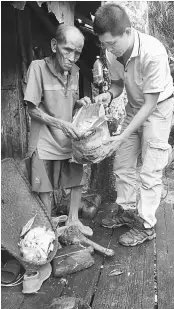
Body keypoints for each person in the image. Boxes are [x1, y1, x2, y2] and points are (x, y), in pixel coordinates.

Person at [93, 3, 174, 246]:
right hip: (134, 108)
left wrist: (122, 134)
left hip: (158, 110)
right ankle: (127, 212)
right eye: (105, 44)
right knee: (123, 162)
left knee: (150, 169)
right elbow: (118, 86)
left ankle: (147, 225)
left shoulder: (154, 52)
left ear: (128, 32)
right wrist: (109, 95)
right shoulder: (112, 52)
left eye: (112, 43)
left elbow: (150, 103)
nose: (109, 49)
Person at [24, 24, 93, 237]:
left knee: (76, 178)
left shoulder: (75, 72)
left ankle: (73, 221)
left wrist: (79, 103)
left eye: (78, 52)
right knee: (43, 185)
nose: (72, 57)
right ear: (54, 45)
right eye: (68, 50)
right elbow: (32, 109)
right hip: (45, 138)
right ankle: (48, 227)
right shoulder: (37, 68)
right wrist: (62, 124)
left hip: (67, 137)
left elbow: (67, 103)